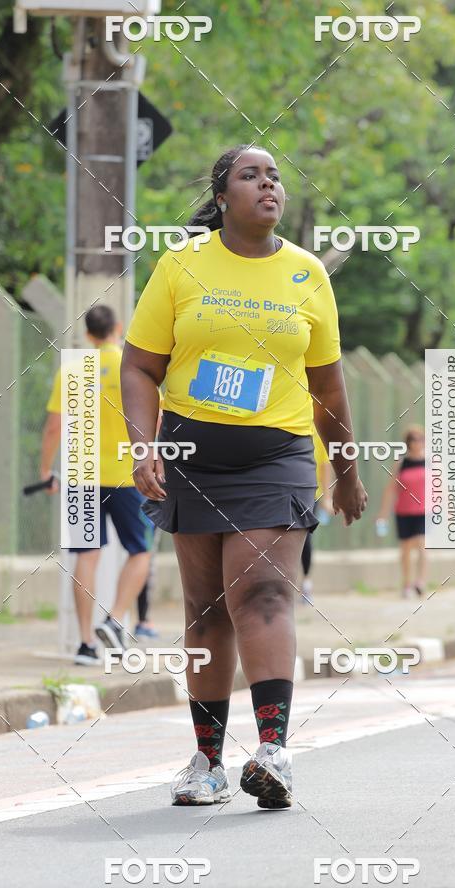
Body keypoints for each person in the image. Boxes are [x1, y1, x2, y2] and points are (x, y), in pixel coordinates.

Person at [120, 144, 368, 809]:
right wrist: (144, 449)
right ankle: (206, 761)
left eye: (276, 175)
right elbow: (139, 366)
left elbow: (329, 388)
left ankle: (274, 752)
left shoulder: (306, 273)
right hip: (191, 453)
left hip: (276, 454)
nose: (269, 184)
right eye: (251, 175)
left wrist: (345, 469)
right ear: (222, 195)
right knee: (204, 611)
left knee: (260, 592)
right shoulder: (181, 266)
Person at [40, 304, 154, 664]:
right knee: (140, 551)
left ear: (88, 334)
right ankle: (116, 619)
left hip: (81, 473)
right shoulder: (132, 368)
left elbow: (55, 426)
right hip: (126, 474)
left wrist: (46, 470)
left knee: (86, 555)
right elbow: (156, 419)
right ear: (118, 328)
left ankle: (86, 644)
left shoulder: (74, 369)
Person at [376, 425, 426, 599]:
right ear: (408, 442)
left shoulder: (430, 462)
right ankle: (406, 583)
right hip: (403, 511)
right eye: (414, 439)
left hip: (423, 510)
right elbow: (390, 489)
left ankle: (420, 581)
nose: (418, 442)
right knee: (405, 549)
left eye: (420, 439)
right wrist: (383, 514)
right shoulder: (401, 463)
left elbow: (440, 488)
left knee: (421, 544)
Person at [301, 429, 334, 604]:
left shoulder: (315, 428)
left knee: (304, 538)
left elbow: (324, 464)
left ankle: (306, 582)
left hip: (309, 493)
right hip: (282, 491)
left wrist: (327, 497)